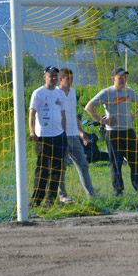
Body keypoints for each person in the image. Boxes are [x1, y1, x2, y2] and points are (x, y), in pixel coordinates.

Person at [84, 67, 138, 196]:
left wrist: (135, 115)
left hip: (128, 132)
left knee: (135, 161)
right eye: (120, 78)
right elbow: (89, 107)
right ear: (113, 79)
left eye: (125, 78)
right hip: (113, 133)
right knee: (115, 162)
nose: (123, 80)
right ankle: (118, 190)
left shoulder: (129, 92)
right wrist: (102, 121)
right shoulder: (106, 93)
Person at [28, 66, 67, 207]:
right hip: (43, 137)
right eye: (51, 76)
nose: (54, 78)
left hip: (58, 136)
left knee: (57, 169)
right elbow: (32, 113)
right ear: (45, 77)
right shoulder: (38, 93)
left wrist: (65, 132)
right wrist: (32, 132)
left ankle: (50, 200)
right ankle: (36, 200)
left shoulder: (60, 93)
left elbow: (63, 114)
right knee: (43, 169)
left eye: (56, 76)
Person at [57, 67, 96, 202]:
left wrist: (81, 132)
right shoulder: (55, 93)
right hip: (61, 135)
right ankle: (62, 195)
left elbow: (73, 114)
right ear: (60, 79)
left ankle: (91, 194)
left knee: (83, 164)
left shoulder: (73, 92)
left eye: (72, 78)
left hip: (74, 135)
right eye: (68, 79)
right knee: (62, 167)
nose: (71, 81)